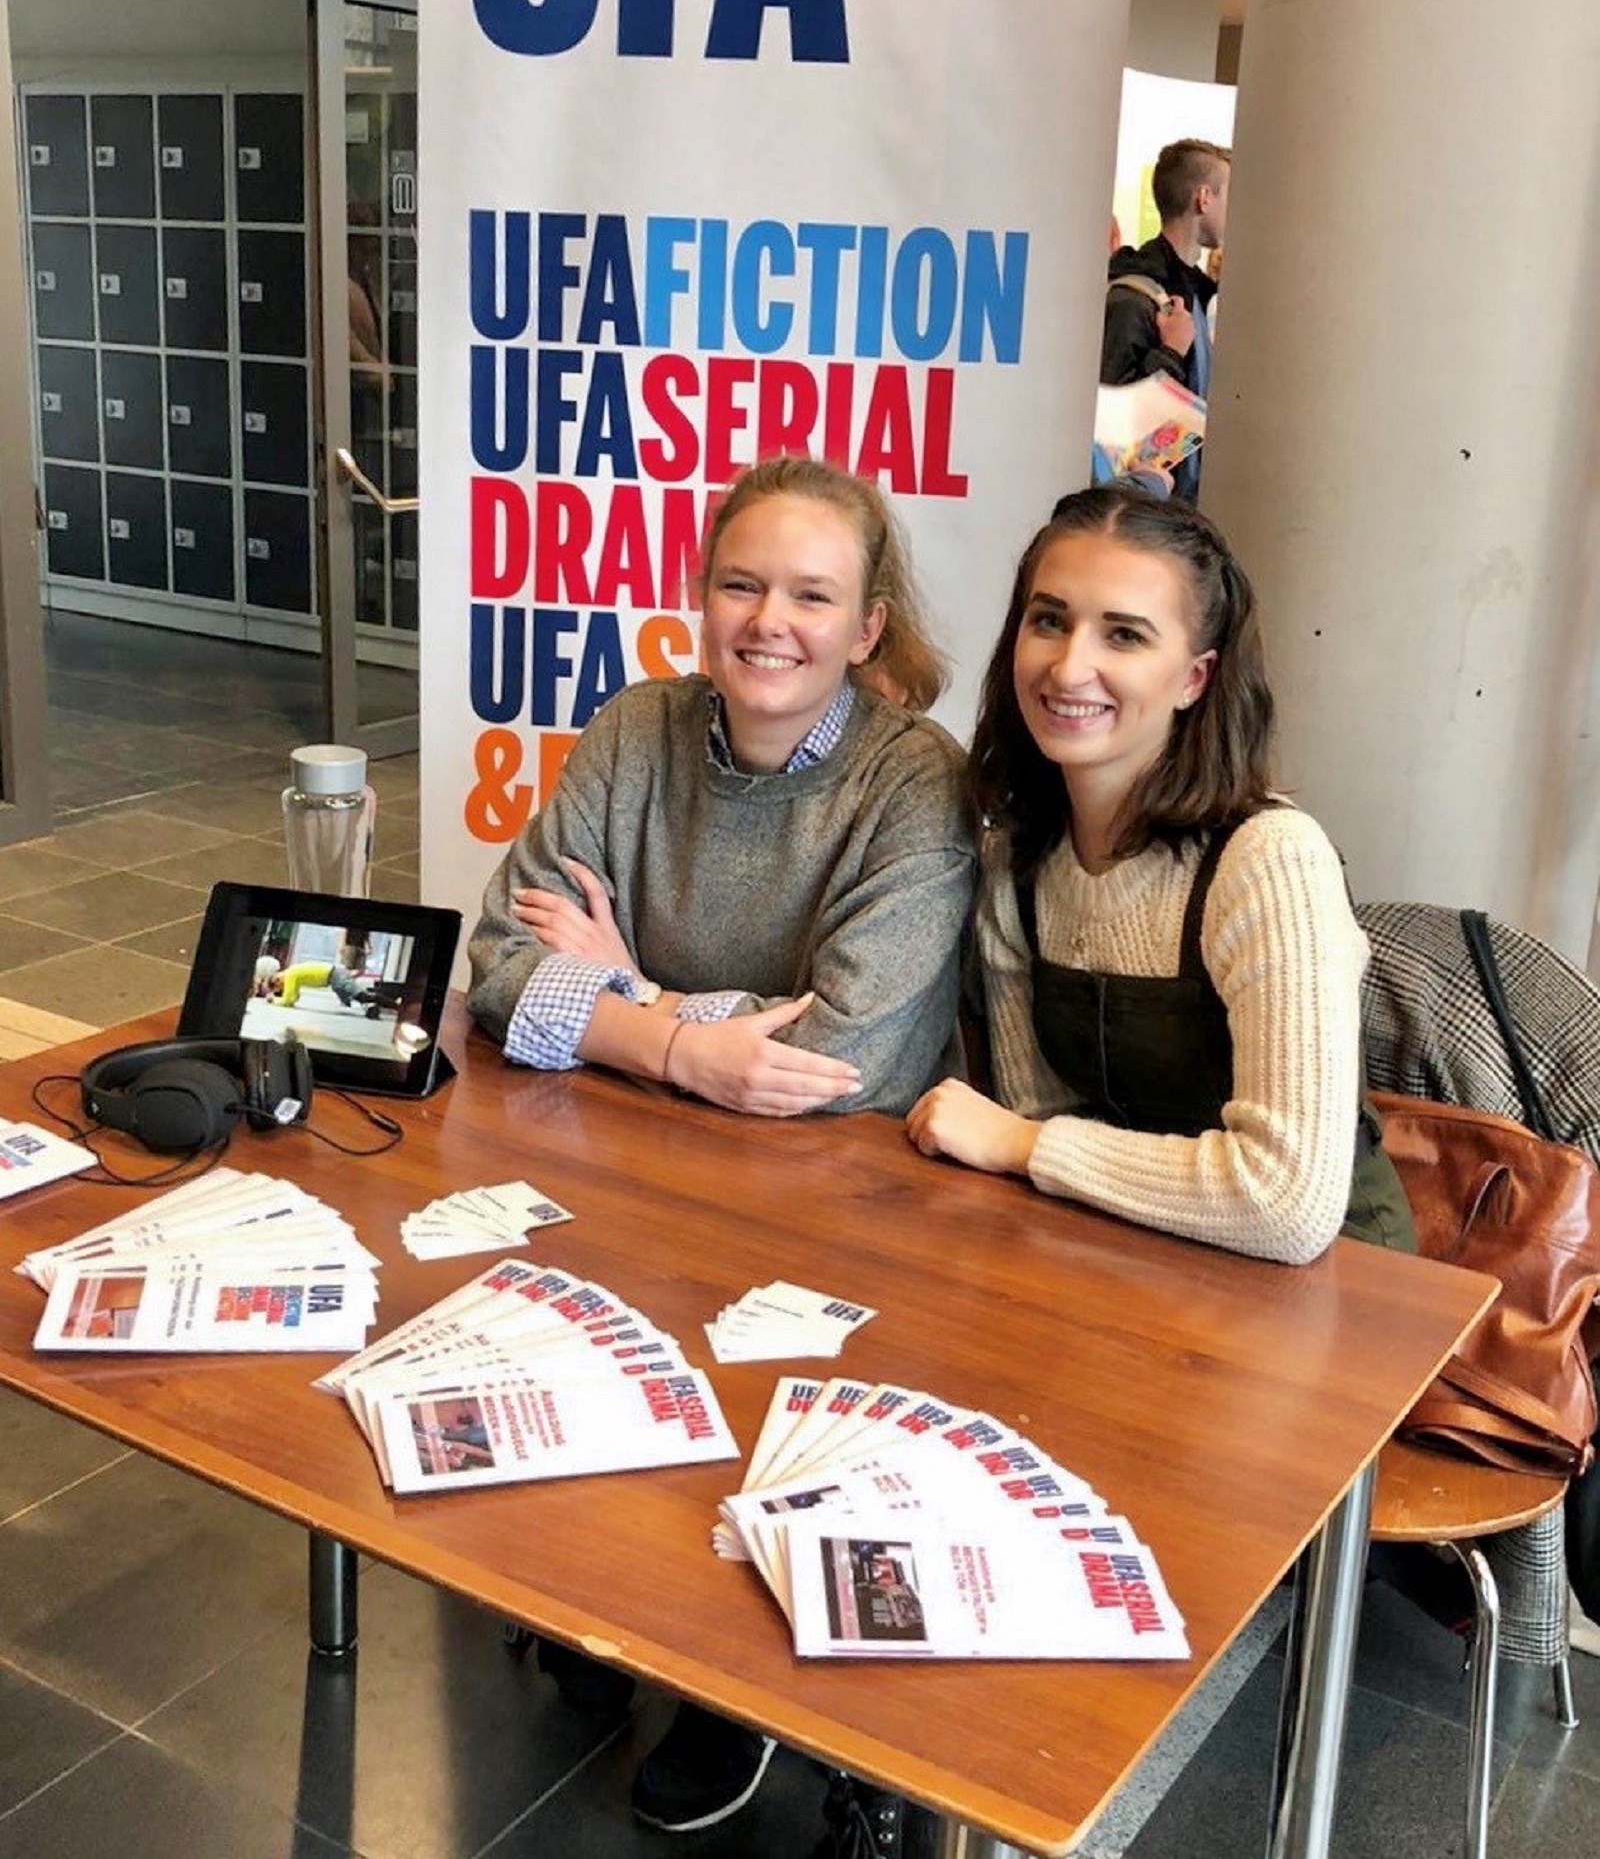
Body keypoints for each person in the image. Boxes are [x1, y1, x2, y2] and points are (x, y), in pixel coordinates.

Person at [467, 455, 973, 1846]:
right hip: (632, 1156)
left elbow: (847, 1057)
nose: (772, 621)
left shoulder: (910, 779)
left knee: (764, 1410)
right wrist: (683, 1039)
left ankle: (738, 1694)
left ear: (868, 626)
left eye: (814, 595)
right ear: (699, 595)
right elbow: (497, 960)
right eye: (742, 583)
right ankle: (609, 1602)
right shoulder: (634, 730)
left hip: (835, 1201)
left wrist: (620, 990)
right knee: (581, 1347)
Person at [906, 484, 1415, 1263]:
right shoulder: (1015, 857)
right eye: (1050, 621)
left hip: (1330, 1288)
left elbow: (1287, 1204)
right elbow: (1036, 1120)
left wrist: (1026, 1146)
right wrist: (1028, 1146)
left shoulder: (1270, 859)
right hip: (1132, 1253)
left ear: (1195, 678)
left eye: (1125, 636)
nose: (1071, 666)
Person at [1101, 140, 1231, 503]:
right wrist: (1172, 350)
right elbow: (1117, 431)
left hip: (1179, 504)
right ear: (1204, 198)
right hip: (1147, 510)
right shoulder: (1133, 297)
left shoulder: (1196, 294)